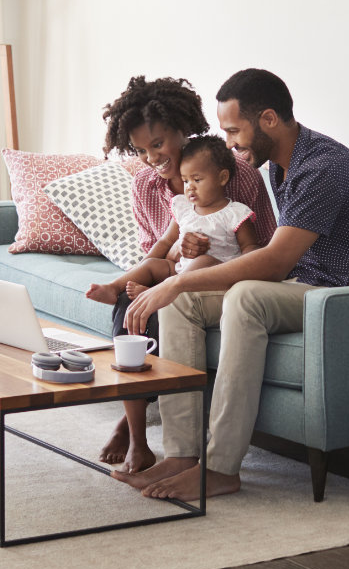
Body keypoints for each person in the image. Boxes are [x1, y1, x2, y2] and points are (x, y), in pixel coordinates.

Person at [113, 68, 349, 500]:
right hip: (309, 285)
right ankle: (182, 455)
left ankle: (221, 469)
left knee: (244, 296)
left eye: (234, 130)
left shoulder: (323, 168)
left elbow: (273, 261)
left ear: (268, 119)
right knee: (181, 303)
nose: (229, 143)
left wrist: (173, 283)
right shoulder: (284, 166)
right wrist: (177, 285)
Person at [97, 76, 277, 474]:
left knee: (161, 303)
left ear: (183, 129)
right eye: (141, 150)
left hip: (222, 276)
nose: (151, 159)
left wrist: (196, 259)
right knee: (130, 304)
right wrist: (175, 256)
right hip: (172, 271)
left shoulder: (237, 174)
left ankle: (134, 428)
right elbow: (156, 251)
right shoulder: (144, 184)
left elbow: (260, 247)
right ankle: (138, 439)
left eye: (158, 145)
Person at [87, 135, 259, 307]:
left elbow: (250, 248)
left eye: (197, 180)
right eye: (185, 180)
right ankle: (113, 287)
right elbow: (166, 241)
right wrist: (145, 265)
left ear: (222, 178)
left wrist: (242, 274)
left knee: (204, 261)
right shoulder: (183, 207)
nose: (189, 187)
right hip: (180, 270)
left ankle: (156, 292)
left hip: (215, 275)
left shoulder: (235, 213)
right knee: (152, 264)